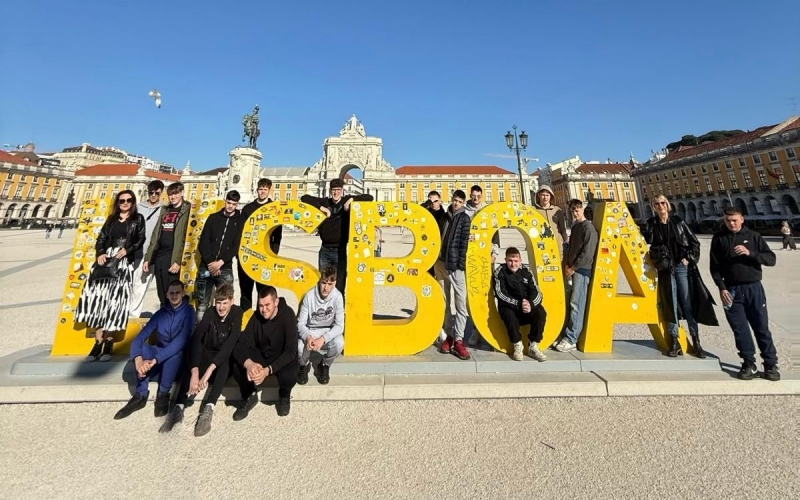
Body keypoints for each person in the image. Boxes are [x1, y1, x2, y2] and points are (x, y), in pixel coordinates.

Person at [160, 283, 243, 436]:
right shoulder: (210, 312)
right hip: (208, 354)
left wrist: (208, 372)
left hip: (222, 360)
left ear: (232, 301)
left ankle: (209, 407)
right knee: (191, 355)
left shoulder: (237, 313)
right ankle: (179, 407)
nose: (221, 307)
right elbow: (197, 339)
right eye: (218, 302)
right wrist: (195, 371)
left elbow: (230, 343)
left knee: (225, 361)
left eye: (225, 303)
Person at [76, 190, 146, 362]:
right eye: (122, 200)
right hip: (105, 261)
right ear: (117, 203)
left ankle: (108, 341)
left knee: (117, 302)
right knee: (99, 300)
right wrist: (100, 252)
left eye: (129, 200)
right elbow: (101, 238)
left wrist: (127, 250)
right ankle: (97, 342)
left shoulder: (138, 219)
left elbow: (140, 239)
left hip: (123, 263)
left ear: (133, 202)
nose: (125, 203)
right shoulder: (111, 219)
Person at [710, 207, 779, 381]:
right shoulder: (719, 238)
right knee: (740, 329)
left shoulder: (754, 236)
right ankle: (749, 363)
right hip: (731, 290)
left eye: (734, 220)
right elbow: (714, 267)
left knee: (761, 326)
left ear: (742, 219)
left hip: (753, 287)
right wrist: (721, 287)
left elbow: (771, 259)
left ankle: (770, 364)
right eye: (728, 220)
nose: (731, 223)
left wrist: (751, 253)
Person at [645, 194, 717, 358]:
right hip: (665, 268)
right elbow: (645, 240)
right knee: (670, 303)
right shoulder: (652, 224)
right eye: (656, 204)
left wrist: (688, 259)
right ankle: (674, 340)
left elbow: (694, 243)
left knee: (687, 302)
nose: (660, 206)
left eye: (662, 203)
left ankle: (696, 341)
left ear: (667, 204)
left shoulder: (679, 222)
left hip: (680, 267)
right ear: (653, 207)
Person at [114, 280, 194, 420]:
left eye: (177, 292)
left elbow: (180, 342)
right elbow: (140, 338)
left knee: (173, 354)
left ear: (183, 294)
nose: (174, 295)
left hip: (177, 361)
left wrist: (154, 360)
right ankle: (140, 394)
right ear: (167, 295)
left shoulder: (189, 312)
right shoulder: (160, 314)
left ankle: (163, 393)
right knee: (142, 348)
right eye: (171, 293)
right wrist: (138, 360)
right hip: (158, 358)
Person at [231, 286, 299, 419]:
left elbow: (291, 350)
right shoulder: (257, 317)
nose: (264, 309)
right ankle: (249, 395)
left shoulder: (287, 315)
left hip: (280, 356)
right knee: (238, 365)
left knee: (291, 369)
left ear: (276, 302)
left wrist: (267, 371)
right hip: (263, 355)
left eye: (267, 305)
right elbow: (240, 344)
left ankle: (284, 395)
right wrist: (249, 364)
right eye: (261, 305)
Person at [300, 178, 373, 296]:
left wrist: (352, 200)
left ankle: (339, 307)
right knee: (324, 284)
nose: (336, 192)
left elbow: (369, 197)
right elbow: (305, 198)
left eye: (338, 189)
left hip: (340, 251)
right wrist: (321, 208)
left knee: (340, 285)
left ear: (342, 191)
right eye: (334, 190)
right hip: (325, 250)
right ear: (330, 191)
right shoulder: (325, 202)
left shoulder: (346, 200)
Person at [552, 200, 598, 352]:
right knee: (570, 302)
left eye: (577, 210)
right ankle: (566, 334)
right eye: (572, 210)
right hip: (572, 269)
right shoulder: (576, 226)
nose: (575, 213)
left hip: (581, 270)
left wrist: (573, 267)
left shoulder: (588, 228)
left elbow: (588, 253)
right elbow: (572, 247)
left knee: (577, 304)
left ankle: (571, 339)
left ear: (583, 209)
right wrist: (568, 264)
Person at [196, 190, 243, 321]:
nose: (230, 206)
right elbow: (203, 241)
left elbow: (236, 246)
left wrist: (220, 263)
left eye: (234, 204)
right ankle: (202, 330)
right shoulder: (213, 218)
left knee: (226, 303)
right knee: (202, 304)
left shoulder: (240, 222)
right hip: (206, 266)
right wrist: (210, 262)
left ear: (237, 204)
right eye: (229, 202)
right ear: (225, 201)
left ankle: (223, 329)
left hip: (224, 267)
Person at [494, 247, 548, 361]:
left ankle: (533, 345)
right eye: (510, 261)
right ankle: (517, 345)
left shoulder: (526, 271)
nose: (513, 264)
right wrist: (519, 304)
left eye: (516, 261)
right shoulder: (500, 271)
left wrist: (530, 305)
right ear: (505, 260)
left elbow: (536, 292)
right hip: (510, 306)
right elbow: (500, 293)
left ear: (520, 261)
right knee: (508, 313)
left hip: (526, 307)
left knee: (540, 312)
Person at [435, 190, 472, 360]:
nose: (456, 203)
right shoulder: (444, 216)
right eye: (455, 200)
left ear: (463, 203)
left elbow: (464, 244)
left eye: (460, 201)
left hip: (455, 266)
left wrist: (460, 265)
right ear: (451, 200)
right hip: (440, 263)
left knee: (460, 303)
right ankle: (448, 336)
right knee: (445, 302)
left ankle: (458, 339)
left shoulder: (464, 219)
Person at [143, 182, 191, 306]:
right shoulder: (165, 210)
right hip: (160, 256)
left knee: (174, 294)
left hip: (173, 256)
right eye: (170, 194)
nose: (173, 197)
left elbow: (186, 237)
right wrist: (148, 258)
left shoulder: (188, 210)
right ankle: (164, 315)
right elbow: (155, 235)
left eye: (175, 193)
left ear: (182, 193)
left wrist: (178, 260)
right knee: (162, 293)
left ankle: (174, 317)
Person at [238, 178, 283, 311]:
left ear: (269, 190)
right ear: (256, 190)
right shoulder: (248, 208)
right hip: (247, 255)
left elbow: (277, 234)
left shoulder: (274, 209)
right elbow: (240, 232)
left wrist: (273, 253)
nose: (262, 192)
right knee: (245, 291)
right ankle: (245, 318)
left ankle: (261, 318)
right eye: (260, 189)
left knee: (263, 291)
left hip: (265, 256)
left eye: (265, 189)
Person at [464, 184, 500, 348]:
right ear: (470, 195)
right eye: (473, 195)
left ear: (482, 196)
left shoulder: (488, 211)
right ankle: (475, 329)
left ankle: (490, 327)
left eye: (478, 196)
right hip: (470, 258)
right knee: (472, 294)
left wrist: (494, 254)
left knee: (489, 293)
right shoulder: (464, 212)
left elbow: (496, 234)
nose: (476, 198)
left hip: (486, 257)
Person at [296, 266, 345, 386]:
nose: (326, 288)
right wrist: (308, 337)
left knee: (339, 343)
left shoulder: (338, 297)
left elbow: (339, 326)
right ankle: (304, 365)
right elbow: (300, 323)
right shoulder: (309, 296)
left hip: (327, 330)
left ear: (334, 283)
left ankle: (325, 364)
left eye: (330, 284)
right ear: (319, 281)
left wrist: (323, 338)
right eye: (323, 283)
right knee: (299, 347)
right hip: (310, 330)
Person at [129, 180, 164, 317]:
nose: (153, 195)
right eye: (151, 192)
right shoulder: (137, 208)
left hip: (151, 254)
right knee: (129, 283)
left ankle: (133, 314)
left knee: (142, 285)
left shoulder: (164, 210)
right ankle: (124, 311)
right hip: (134, 252)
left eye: (157, 193)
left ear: (161, 193)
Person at [533, 185, 568, 256]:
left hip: (557, 244)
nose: (545, 198)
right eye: (543, 195)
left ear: (550, 196)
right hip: (542, 244)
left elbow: (563, 229)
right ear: (539, 195)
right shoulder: (534, 211)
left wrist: (566, 241)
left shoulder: (557, 211)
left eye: (547, 195)